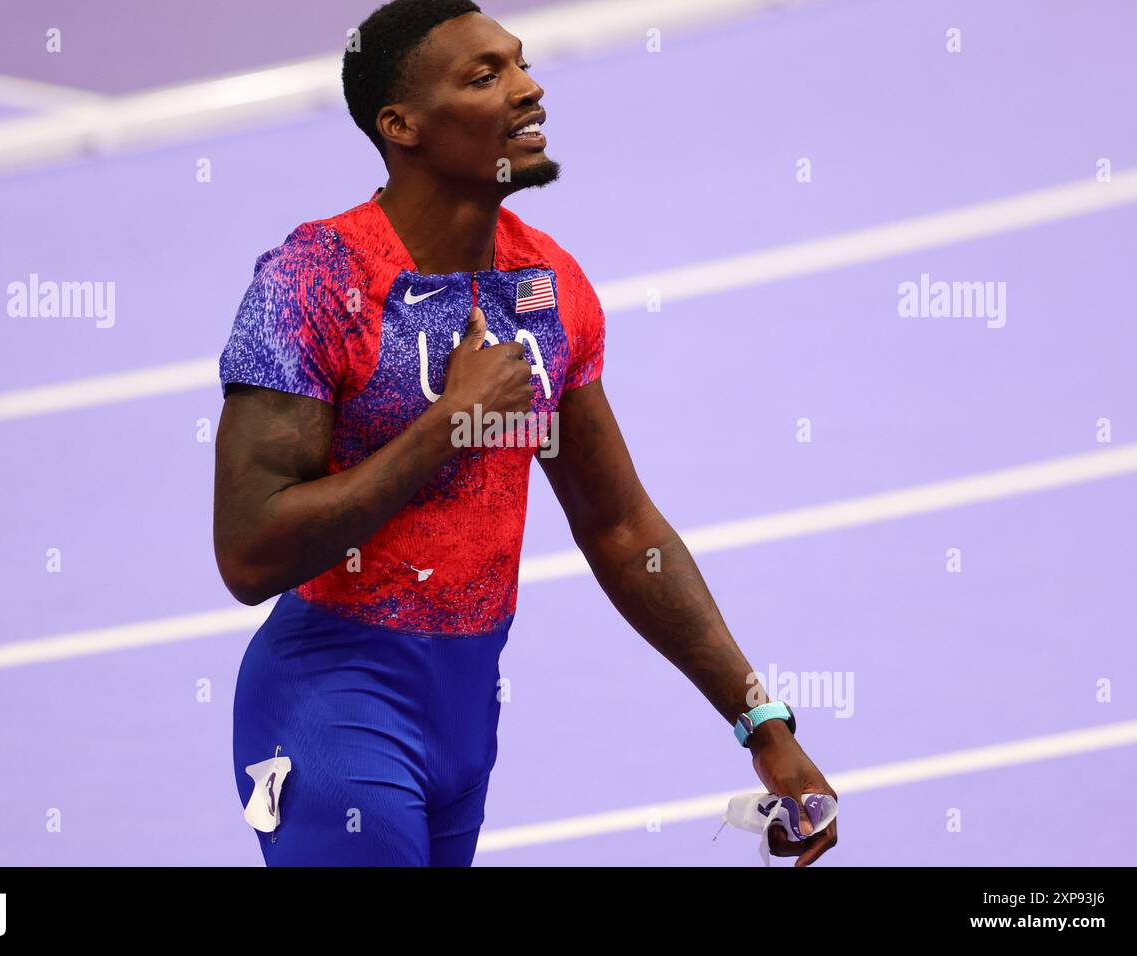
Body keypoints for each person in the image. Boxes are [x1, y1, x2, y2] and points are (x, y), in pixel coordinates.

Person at [214, 0, 837, 866]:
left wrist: (759, 719)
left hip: (467, 712)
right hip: (334, 701)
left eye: (521, 63)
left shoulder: (548, 285)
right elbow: (247, 553)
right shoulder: (315, 279)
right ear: (403, 126)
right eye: (486, 76)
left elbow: (622, 529)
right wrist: (447, 428)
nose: (529, 89)